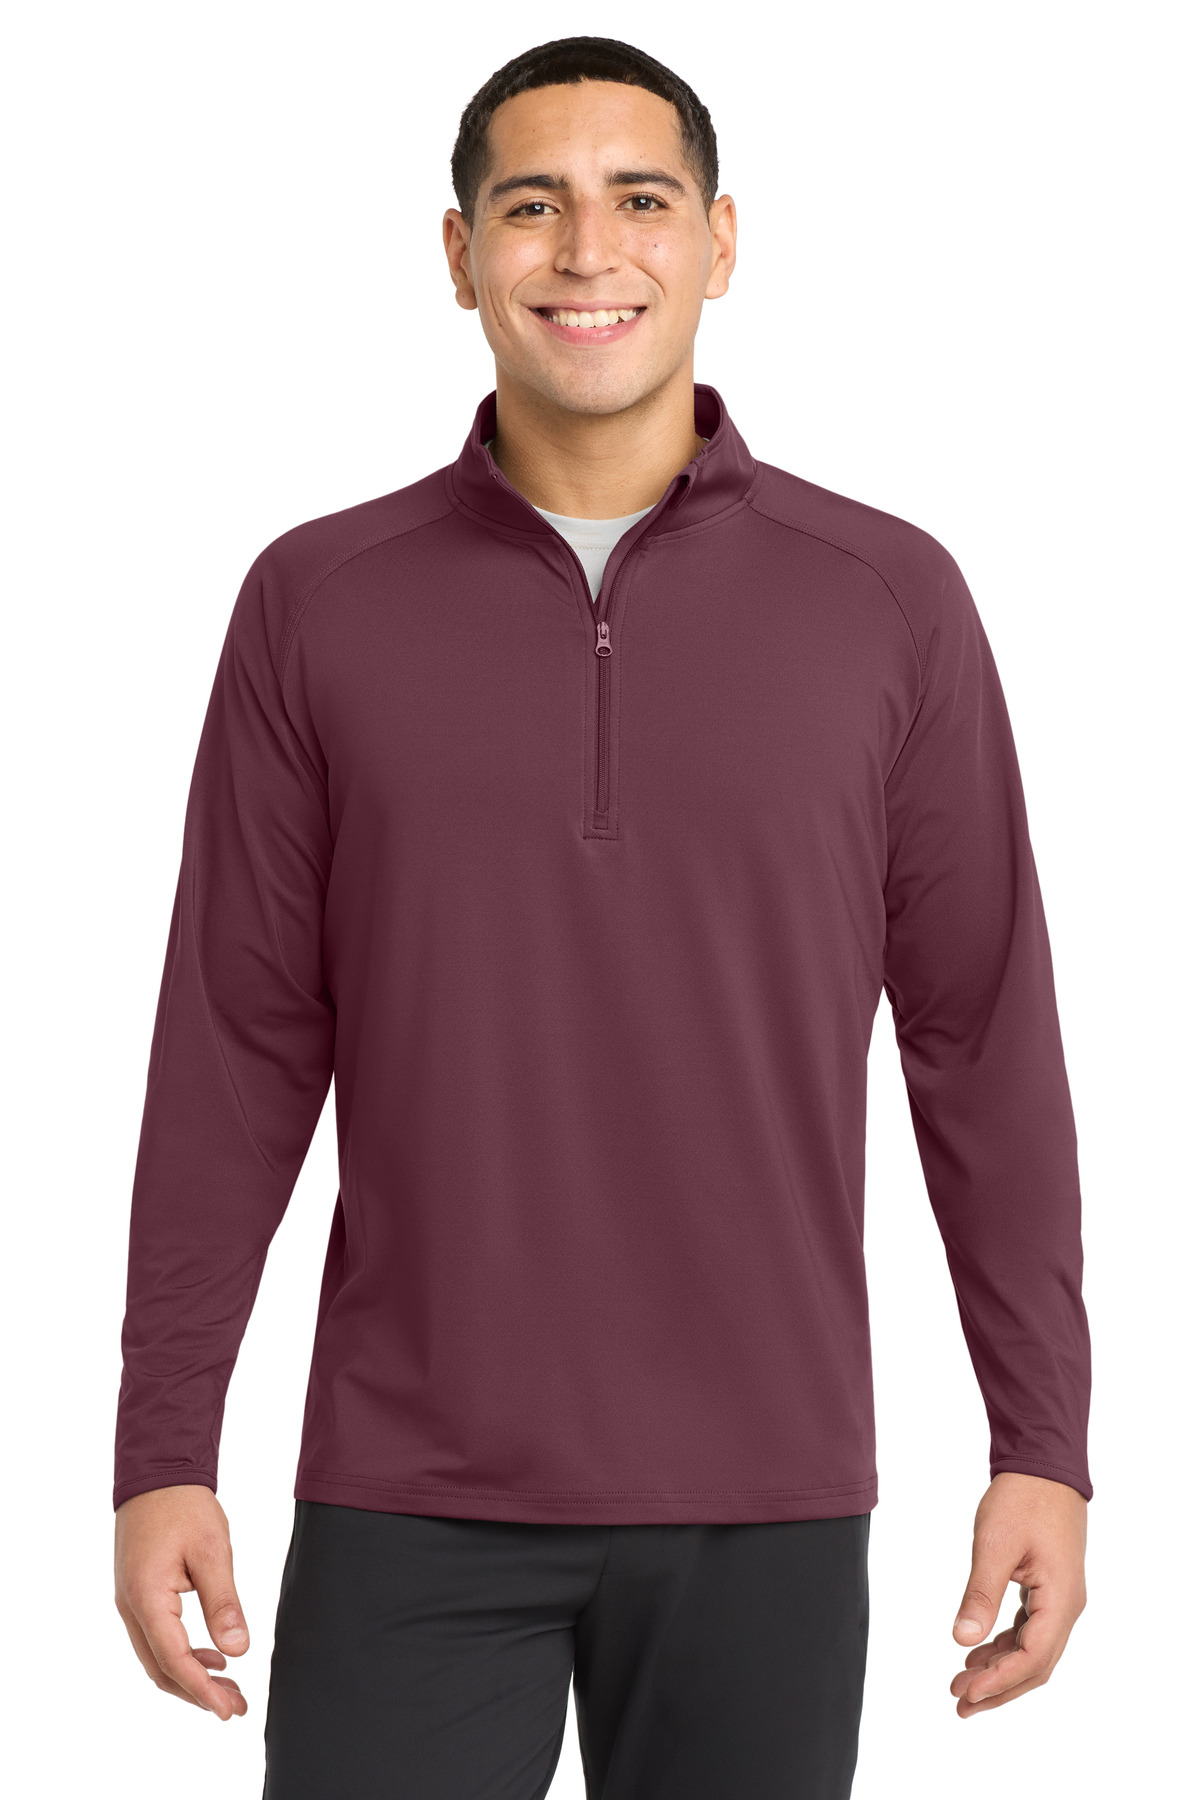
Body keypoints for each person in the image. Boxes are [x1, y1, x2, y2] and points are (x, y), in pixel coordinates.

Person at [113, 35, 1091, 1800]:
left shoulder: (889, 601)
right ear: (458, 254)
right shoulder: (316, 602)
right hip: (410, 1490)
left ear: (721, 243)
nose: (587, 252)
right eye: (531, 207)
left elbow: (983, 1041)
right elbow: (235, 1048)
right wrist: (162, 1443)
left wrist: (1046, 1440)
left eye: (640, 200)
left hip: (769, 1495)